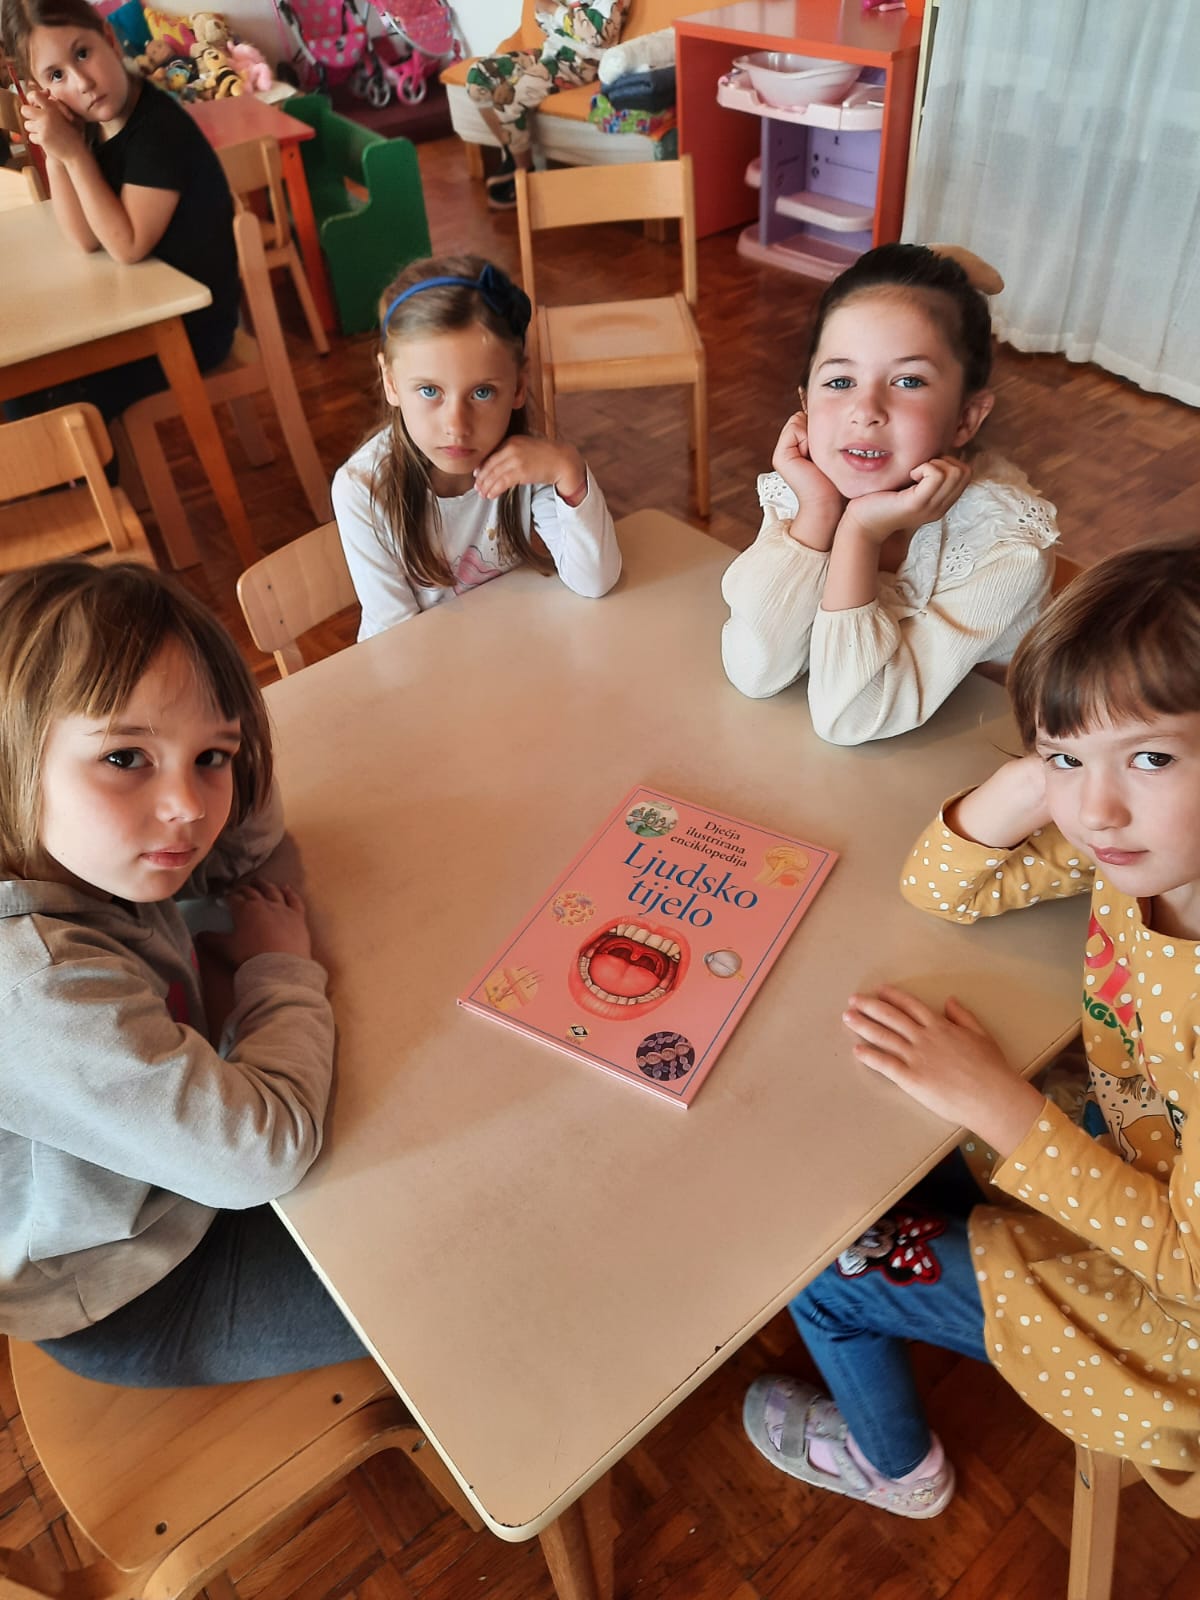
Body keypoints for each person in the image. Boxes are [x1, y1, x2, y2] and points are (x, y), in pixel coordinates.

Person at [743, 538, 1200, 1517]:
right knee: (873, 1154)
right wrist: (1046, 773)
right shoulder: (1147, 848)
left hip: (1173, 1331)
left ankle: (898, 1469)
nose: (1098, 810)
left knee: (817, 1269)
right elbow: (942, 885)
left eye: (1152, 757)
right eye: (1067, 758)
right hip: (1127, 1150)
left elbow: (1188, 1271)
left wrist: (999, 1104)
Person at [0, 561, 367, 1386]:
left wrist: (229, 748)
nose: (191, 807)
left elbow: (241, 844)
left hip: (180, 1178)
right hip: (137, 1284)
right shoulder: (32, 988)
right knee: (438, 1263)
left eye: (211, 757)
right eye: (126, 755)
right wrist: (279, 969)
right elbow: (263, 1154)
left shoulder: (84, 847)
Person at [720, 243, 1059, 746]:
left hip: (975, 754)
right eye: (840, 380)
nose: (866, 410)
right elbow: (754, 670)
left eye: (908, 380)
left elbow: (851, 718)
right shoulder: (810, 490)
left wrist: (859, 533)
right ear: (805, 405)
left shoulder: (1006, 547)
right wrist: (819, 514)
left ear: (966, 418)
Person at [333, 254, 621, 641]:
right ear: (391, 382)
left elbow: (596, 580)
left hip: (503, 650)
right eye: (429, 390)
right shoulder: (362, 488)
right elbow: (399, 641)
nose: (456, 426)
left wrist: (568, 469)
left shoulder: (529, 465)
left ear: (518, 387)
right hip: (421, 666)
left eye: (482, 392)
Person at [1, 0, 238, 420]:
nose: (82, 82)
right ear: (43, 90)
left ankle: (94, 466)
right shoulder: (94, 124)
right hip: (142, 313)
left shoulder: (157, 130)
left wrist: (74, 155)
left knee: (46, 402)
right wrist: (56, 152)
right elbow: (84, 237)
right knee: (20, 390)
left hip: (194, 328)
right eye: (56, 75)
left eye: (82, 53)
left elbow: (127, 245)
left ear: (109, 38)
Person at [466, 0, 630, 210]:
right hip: (550, 53)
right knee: (478, 77)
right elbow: (544, 22)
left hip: (581, 64)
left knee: (508, 98)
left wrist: (554, 9)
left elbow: (596, 35)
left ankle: (524, 175)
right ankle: (512, 155)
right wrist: (548, 11)